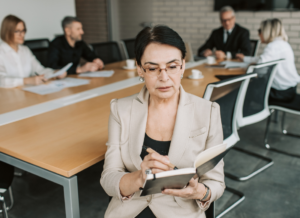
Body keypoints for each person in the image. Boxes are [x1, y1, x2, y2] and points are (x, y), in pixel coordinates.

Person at [100, 25, 225, 218]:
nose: (164, 78)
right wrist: (139, 178)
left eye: (172, 67)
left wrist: (199, 192)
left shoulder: (208, 112)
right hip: (130, 210)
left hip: (181, 211)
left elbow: (216, 183)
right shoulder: (120, 110)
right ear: (140, 69)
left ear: (183, 66)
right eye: (152, 68)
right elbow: (109, 178)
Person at [236, 18, 300, 102]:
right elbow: (261, 59)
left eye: (260, 30)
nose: (259, 34)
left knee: (242, 89)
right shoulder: (283, 44)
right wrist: (244, 58)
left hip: (280, 92)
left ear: (267, 31)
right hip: (289, 89)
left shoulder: (272, 47)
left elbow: (259, 70)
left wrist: (249, 66)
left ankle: (248, 112)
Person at [0, 15, 66, 88]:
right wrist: (26, 80)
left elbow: (39, 69)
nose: (22, 34)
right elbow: (1, 80)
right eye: (17, 31)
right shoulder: (1, 52)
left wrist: (54, 73)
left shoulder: (25, 50)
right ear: (7, 32)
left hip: (27, 92)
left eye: (23, 30)